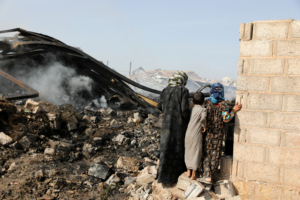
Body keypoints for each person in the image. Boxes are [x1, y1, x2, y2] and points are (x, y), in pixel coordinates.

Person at [200, 82, 242, 184]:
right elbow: (226, 119)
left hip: (208, 133)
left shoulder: (206, 103)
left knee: (206, 153)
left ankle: (207, 174)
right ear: (222, 91)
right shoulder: (223, 104)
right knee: (216, 154)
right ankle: (212, 176)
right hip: (218, 135)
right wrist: (233, 110)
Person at [157, 70, 190, 184]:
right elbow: (184, 110)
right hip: (179, 125)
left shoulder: (165, 90)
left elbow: (159, 106)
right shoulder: (183, 90)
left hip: (166, 125)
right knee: (177, 148)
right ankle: (176, 177)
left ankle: (163, 177)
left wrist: (168, 111)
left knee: (166, 148)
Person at [184, 92, 207, 180]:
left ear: (192, 101)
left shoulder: (191, 109)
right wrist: (204, 126)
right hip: (196, 134)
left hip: (188, 133)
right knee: (196, 152)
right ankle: (194, 173)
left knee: (188, 150)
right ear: (203, 102)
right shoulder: (203, 109)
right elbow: (203, 118)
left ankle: (188, 171)